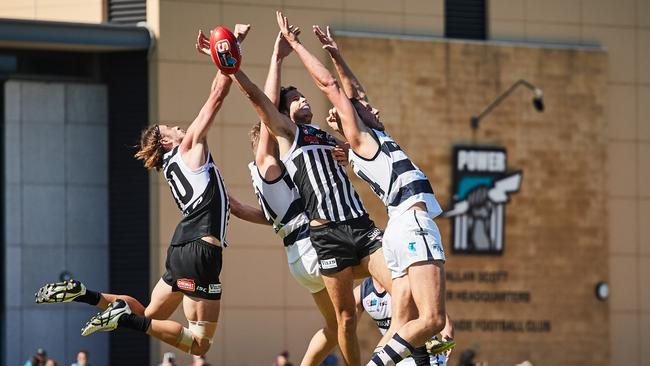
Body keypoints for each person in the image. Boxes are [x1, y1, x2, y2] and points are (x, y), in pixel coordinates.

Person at [34, 24, 251, 357]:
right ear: (167, 141)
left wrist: (224, 55)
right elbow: (217, 96)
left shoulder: (171, 164)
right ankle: (115, 312)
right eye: (172, 128)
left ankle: (84, 294)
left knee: (148, 315)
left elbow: (215, 92)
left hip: (180, 249)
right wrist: (231, 47)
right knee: (200, 346)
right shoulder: (189, 146)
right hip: (202, 250)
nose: (180, 127)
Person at [226, 13, 395, 366]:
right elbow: (263, 103)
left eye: (305, 96)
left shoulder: (322, 137)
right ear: (284, 115)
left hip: (336, 232)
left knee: (346, 320)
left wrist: (349, 152)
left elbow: (357, 138)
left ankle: (406, 340)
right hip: (318, 240)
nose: (304, 101)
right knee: (352, 314)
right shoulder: (285, 140)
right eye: (297, 98)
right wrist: (242, 65)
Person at [307, 23, 448, 366]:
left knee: (404, 322)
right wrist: (300, 47)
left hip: (397, 233)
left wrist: (336, 53)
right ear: (354, 122)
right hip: (411, 221)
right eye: (365, 110)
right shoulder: (362, 141)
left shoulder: (373, 141)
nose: (375, 108)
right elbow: (333, 89)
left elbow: (354, 93)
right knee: (433, 320)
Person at [355, 277, 454, 366]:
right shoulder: (362, 291)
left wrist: (447, 336)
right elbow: (346, 327)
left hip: (426, 357)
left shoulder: (406, 283)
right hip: (394, 356)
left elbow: (437, 313)